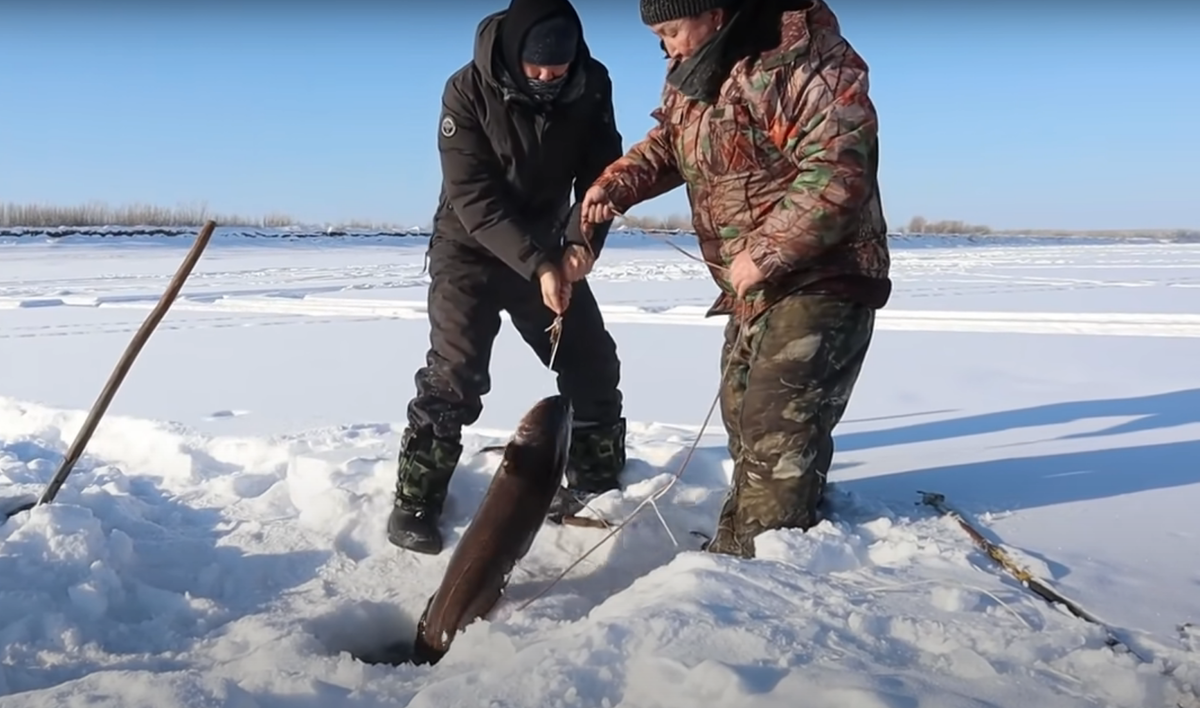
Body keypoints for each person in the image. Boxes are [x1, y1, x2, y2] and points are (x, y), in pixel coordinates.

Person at [578, 0, 891, 558]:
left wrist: (768, 252)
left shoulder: (802, 59)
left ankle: (761, 568)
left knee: (776, 422)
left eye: (672, 29)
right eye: (658, 36)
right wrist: (616, 184)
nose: (667, 46)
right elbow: (671, 143)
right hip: (754, 284)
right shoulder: (692, 75)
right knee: (742, 410)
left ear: (715, 12)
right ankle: (750, 540)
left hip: (824, 274)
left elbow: (839, 165)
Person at [387, 0, 629, 555]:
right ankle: (416, 500)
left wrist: (578, 245)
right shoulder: (466, 90)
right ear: (513, 54)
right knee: (457, 371)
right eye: (537, 68)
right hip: (469, 247)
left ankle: (595, 485)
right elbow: (475, 198)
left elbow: (602, 178)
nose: (547, 79)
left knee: (592, 359)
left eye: (558, 68)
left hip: (549, 245)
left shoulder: (591, 85)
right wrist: (539, 263)